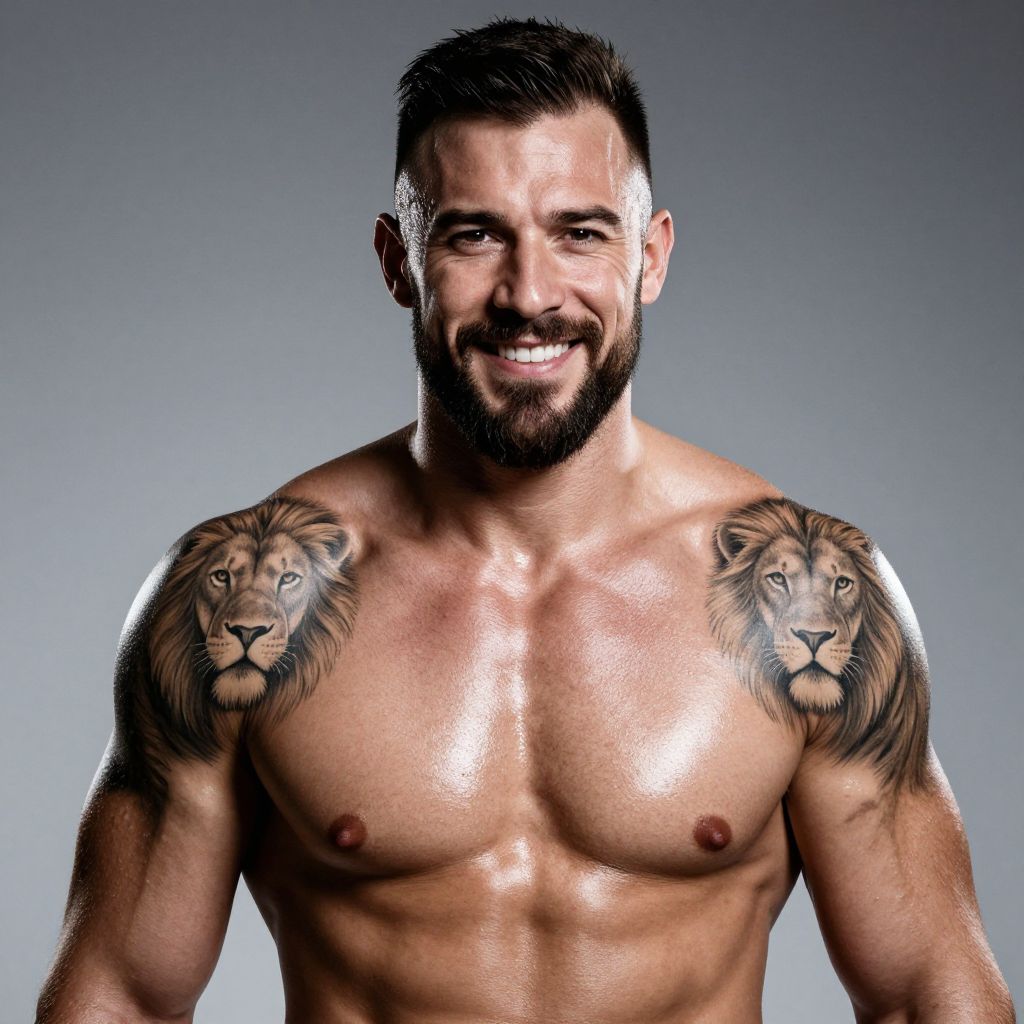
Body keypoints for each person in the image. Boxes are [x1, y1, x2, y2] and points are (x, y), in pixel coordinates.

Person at [37, 17, 1013, 1024]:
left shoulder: (809, 594)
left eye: (579, 232)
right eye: (473, 235)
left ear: (651, 256)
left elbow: (923, 991)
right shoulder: (241, 595)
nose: (529, 293)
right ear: (397, 261)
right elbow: (121, 994)